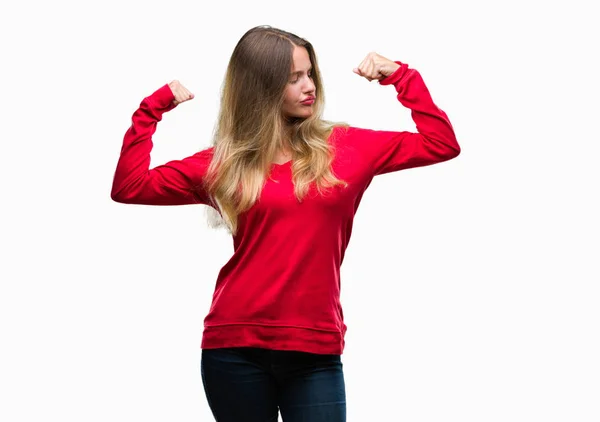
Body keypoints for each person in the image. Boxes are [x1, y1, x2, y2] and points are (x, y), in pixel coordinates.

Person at [111, 24, 460, 422]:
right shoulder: (224, 164)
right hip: (234, 345)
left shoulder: (348, 148)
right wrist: (150, 109)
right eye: (293, 78)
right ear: (261, 87)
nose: (309, 86)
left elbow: (441, 143)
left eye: (309, 73)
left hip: (315, 350)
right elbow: (130, 186)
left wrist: (400, 76)